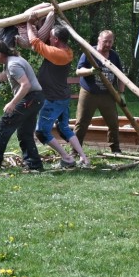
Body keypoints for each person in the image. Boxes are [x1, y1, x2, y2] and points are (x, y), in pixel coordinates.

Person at [26, 15, 90, 167]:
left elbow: (34, 42)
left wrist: (29, 24)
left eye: (51, 36)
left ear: (56, 40)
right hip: (62, 96)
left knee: (42, 132)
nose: (48, 38)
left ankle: (67, 158)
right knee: (64, 128)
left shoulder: (57, 54)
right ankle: (83, 157)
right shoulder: (67, 51)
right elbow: (45, 43)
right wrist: (43, 22)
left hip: (53, 99)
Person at [0, 39, 45, 171]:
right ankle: (34, 164)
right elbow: (3, 77)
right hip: (35, 98)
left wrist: (13, 103)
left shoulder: (13, 64)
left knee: (5, 123)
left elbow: (26, 85)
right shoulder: (11, 61)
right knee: (25, 133)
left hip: (31, 98)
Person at [72, 30, 124, 154]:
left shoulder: (114, 56)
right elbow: (78, 71)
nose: (108, 44)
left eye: (110, 42)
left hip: (107, 94)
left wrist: (121, 93)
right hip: (89, 93)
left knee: (113, 122)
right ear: (99, 40)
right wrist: (91, 71)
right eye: (105, 41)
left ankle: (115, 149)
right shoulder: (90, 52)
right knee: (81, 122)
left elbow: (120, 76)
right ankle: (75, 150)